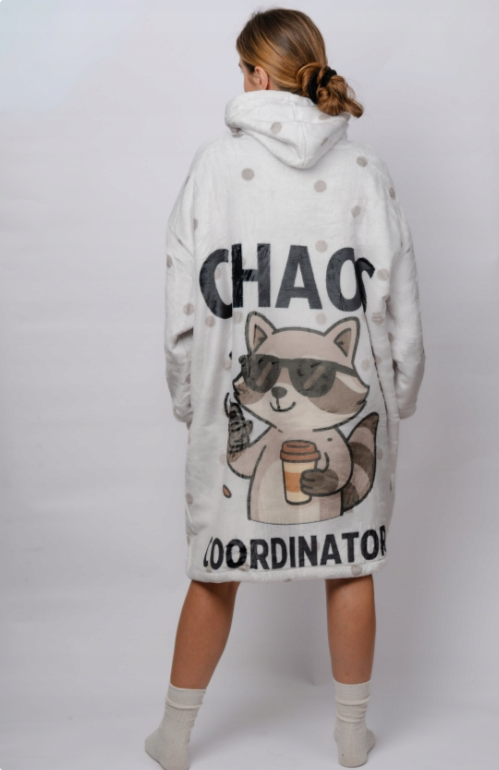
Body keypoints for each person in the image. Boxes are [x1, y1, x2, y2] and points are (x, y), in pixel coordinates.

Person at [145, 7, 425, 769]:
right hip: (353, 398)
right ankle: (350, 736)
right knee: (350, 563)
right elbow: (399, 297)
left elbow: (181, 303)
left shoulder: (214, 166)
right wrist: (401, 393)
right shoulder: (364, 170)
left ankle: (174, 736)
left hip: (232, 395)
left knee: (216, 568)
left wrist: (189, 398)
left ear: (256, 74)